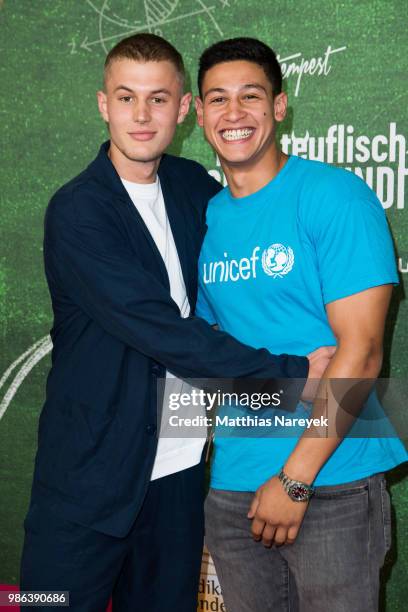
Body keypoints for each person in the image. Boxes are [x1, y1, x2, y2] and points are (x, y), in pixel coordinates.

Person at [19, 34, 333, 612]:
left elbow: (249, 261)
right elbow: (162, 331)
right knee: (44, 604)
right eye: (126, 97)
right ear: (102, 104)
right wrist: (292, 375)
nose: (142, 115)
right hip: (84, 486)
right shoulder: (78, 210)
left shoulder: (194, 189)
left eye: (159, 99)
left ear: (184, 109)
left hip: (179, 480)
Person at [195, 37, 408, 612]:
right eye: (218, 98)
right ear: (197, 111)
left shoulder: (334, 196)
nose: (233, 113)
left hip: (330, 484)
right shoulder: (208, 217)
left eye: (250, 96)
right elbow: (210, 349)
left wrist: (294, 480)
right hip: (233, 489)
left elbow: (361, 353)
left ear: (280, 106)